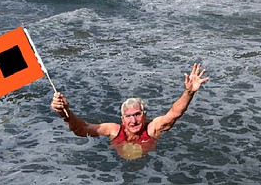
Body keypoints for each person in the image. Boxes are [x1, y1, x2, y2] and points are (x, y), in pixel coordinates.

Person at [50, 63, 209, 160]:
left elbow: (174, 113)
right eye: (128, 116)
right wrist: (65, 112)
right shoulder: (114, 130)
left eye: (137, 114)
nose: (133, 121)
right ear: (122, 119)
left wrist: (189, 92)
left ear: (145, 115)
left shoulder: (152, 128)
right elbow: (82, 129)